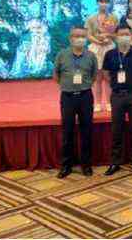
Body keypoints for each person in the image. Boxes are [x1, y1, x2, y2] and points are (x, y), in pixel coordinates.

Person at [53, 26, 98, 178]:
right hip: (68, 97)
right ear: (70, 38)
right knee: (67, 131)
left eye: (82, 36)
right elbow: (56, 75)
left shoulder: (91, 55)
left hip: (85, 96)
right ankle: (66, 166)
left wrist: (83, 85)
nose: (79, 39)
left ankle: (86, 165)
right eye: (76, 36)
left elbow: (94, 75)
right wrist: (68, 86)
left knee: (87, 131)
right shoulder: (62, 55)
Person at [103, 27, 132, 175]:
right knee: (116, 129)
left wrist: (131, 82)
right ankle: (115, 162)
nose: (124, 37)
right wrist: (116, 84)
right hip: (117, 95)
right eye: (121, 34)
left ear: (131, 36)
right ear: (116, 36)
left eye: (127, 34)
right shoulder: (110, 54)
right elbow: (106, 74)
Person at [86, 0, 118, 112]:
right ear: (97, 3)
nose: (104, 4)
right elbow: (88, 35)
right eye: (101, 2)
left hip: (109, 47)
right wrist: (97, 40)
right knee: (97, 78)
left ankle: (109, 102)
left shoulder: (113, 18)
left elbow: (116, 34)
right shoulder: (91, 18)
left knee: (109, 77)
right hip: (96, 48)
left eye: (106, 2)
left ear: (109, 4)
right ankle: (97, 103)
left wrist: (108, 36)